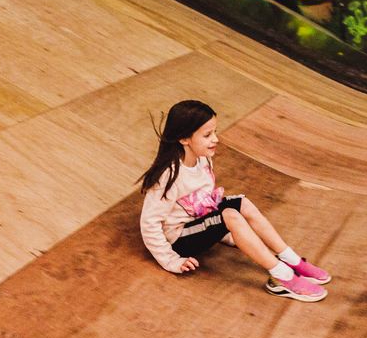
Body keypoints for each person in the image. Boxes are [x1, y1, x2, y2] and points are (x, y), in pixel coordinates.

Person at [138, 99, 330, 302]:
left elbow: (201, 203)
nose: (216, 139)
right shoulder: (168, 175)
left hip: (196, 224)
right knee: (230, 216)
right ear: (184, 138)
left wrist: (218, 231)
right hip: (178, 240)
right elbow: (149, 224)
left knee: (242, 203)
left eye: (214, 132)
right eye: (207, 135)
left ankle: (292, 260)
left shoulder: (202, 159)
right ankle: (283, 278)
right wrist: (171, 260)